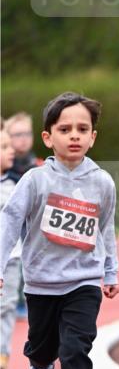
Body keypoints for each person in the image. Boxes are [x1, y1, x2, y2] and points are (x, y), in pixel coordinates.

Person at [0, 92, 119, 369]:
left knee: (75, 350)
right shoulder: (35, 180)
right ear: (48, 137)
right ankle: (38, 365)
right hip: (40, 285)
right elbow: (9, 222)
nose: (75, 135)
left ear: (93, 137)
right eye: (65, 129)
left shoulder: (102, 183)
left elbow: (107, 228)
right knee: (44, 347)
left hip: (83, 282)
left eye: (83, 129)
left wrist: (110, 269)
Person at [5, 112, 43, 319]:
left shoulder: (39, 165)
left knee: (31, 258)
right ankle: (16, 298)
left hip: (33, 223)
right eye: (17, 134)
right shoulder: (5, 168)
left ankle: (27, 297)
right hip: (11, 224)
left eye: (27, 133)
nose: (23, 138)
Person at [0, 127, 19, 369]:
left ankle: (2, 353)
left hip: (11, 259)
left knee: (6, 305)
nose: (11, 150)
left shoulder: (16, 185)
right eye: (4, 147)